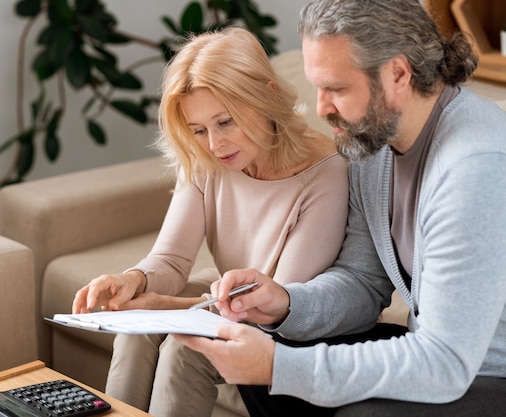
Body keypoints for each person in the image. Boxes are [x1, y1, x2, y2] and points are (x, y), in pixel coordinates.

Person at [175, 1, 506, 416]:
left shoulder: (473, 165)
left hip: (488, 372)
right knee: (270, 355)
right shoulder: (374, 149)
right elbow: (363, 281)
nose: (320, 108)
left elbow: (446, 361)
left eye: (336, 88)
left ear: (398, 74)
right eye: (318, 87)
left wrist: (281, 366)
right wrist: (284, 302)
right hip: (445, 358)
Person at [71, 27, 349, 417]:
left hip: (283, 320)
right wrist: (130, 280)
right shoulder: (207, 158)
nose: (214, 144)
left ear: (267, 95)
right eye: (199, 130)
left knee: (185, 347)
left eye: (225, 122)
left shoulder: (326, 172)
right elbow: (169, 260)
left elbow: (278, 302)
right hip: (222, 292)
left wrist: (168, 306)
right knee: (135, 329)